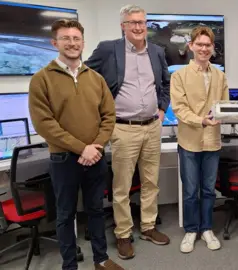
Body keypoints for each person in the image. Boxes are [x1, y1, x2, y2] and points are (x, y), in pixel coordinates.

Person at [28, 19, 123, 270]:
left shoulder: (96, 78)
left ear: (83, 42)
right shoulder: (41, 80)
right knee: (65, 215)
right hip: (64, 160)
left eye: (76, 38)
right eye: (65, 38)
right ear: (54, 43)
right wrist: (83, 148)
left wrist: (97, 146)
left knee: (96, 211)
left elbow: (109, 116)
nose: (72, 43)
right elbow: (45, 124)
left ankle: (101, 260)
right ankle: (69, 266)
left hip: (96, 156)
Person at [85, 4, 170, 260]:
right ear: (123, 26)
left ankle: (148, 227)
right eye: (132, 22)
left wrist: (163, 108)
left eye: (141, 22)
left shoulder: (156, 52)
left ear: (146, 25)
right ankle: (123, 233)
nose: (137, 27)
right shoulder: (108, 49)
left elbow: (165, 83)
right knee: (121, 187)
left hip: (152, 126)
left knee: (150, 182)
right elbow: (87, 76)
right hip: (122, 128)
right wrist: (99, 110)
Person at [170, 25, 229, 253]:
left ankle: (206, 228)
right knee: (190, 190)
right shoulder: (179, 76)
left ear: (212, 48)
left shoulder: (220, 75)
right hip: (189, 141)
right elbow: (179, 108)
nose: (204, 49)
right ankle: (191, 230)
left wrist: (223, 116)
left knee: (207, 190)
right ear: (191, 46)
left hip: (212, 140)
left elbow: (224, 107)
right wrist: (201, 120)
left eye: (208, 45)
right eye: (200, 44)